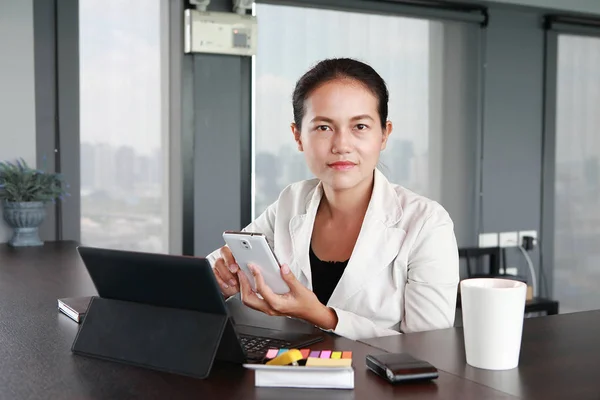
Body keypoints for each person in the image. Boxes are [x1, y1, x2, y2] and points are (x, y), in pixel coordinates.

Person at [207, 58, 459, 341]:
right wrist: (225, 281)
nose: (341, 145)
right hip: (289, 376)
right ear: (298, 136)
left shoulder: (427, 223)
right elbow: (212, 273)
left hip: (378, 384)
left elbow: (431, 351)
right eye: (323, 127)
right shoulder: (291, 201)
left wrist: (322, 316)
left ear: (384, 134)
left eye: (360, 127)